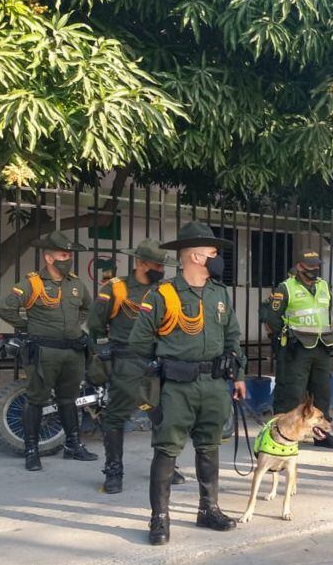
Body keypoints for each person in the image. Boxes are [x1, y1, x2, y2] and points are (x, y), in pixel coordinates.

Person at [129, 222, 246, 545]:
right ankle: (160, 519)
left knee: (209, 447)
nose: (217, 258)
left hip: (214, 384)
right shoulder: (163, 294)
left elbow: (232, 338)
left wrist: (239, 376)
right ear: (195, 256)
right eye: (212, 252)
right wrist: (158, 377)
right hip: (176, 387)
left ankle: (208, 509)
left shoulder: (219, 294)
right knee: (166, 451)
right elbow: (139, 345)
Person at [0, 231, 96, 472]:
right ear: (49, 258)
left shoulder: (75, 284)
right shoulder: (32, 283)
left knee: (68, 400)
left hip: (71, 353)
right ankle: (32, 450)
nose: (68, 259)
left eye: (69, 255)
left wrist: (74, 326)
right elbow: (4, 309)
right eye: (63, 255)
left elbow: (88, 309)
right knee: (37, 399)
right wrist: (29, 327)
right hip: (44, 353)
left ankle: (72, 445)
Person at [88, 239, 181, 494]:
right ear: (140, 263)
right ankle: (114, 471)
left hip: (158, 361)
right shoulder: (117, 289)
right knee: (116, 415)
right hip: (126, 361)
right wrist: (102, 350)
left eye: (162, 267)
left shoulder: (164, 290)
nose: (160, 270)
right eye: (155, 265)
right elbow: (95, 325)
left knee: (163, 414)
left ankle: (167, 466)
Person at [265, 249, 333, 448]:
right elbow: (272, 318)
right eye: (310, 267)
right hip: (296, 347)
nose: (314, 270)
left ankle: (321, 434)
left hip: (322, 345)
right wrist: (285, 335)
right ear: (299, 266)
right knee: (291, 392)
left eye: (317, 266)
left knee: (322, 392)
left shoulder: (324, 286)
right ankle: (283, 434)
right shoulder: (286, 288)